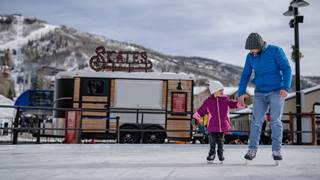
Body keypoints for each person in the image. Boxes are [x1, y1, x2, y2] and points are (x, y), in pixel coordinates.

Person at [238, 33, 292, 161]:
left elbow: (287, 68)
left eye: (254, 49)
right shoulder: (250, 56)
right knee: (256, 121)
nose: (252, 52)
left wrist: (285, 87)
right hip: (260, 92)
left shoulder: (275, 51)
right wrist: (241, 93)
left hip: (276, 91)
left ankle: (276, 150)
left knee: (275, 121)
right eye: (250, 50)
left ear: (260, 45)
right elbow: (245, 75)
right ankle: (252, 149)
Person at [193, 80, 245, 162]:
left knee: (221, 142)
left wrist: (239, 104)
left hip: (222, 125)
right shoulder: (208, 102)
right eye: (220, 90)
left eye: (222, 90)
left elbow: (232, 104)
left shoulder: (225, 100)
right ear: (214, 91)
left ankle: (220, 153)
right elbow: (202, 110)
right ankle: (211, 154)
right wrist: (197, 116)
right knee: (212, 142)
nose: (222, 92)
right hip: (212, 126)